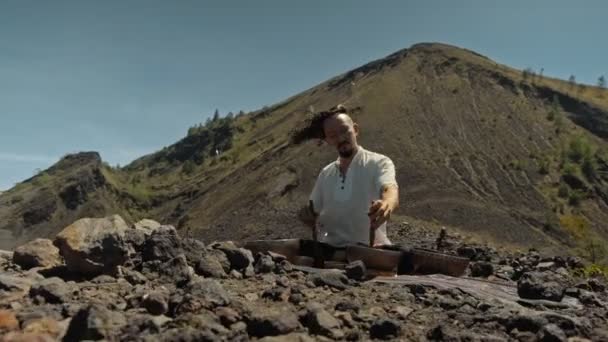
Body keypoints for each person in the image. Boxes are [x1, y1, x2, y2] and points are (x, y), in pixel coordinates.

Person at [299, 105, 399, 247]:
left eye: (344, 130)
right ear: (327, 140)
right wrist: (307, 216)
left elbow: (390, 189)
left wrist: (386, 203)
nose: (341, 138)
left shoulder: (379, 162)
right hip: (331, 252)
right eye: (333, 135)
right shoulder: (326, 174)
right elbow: (312, 211)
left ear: (355, 130)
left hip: (370, 251)